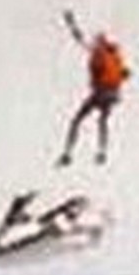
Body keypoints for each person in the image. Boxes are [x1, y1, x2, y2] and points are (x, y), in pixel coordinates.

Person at [56, 9, 131, 167]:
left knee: (77, 120)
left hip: (100, 93)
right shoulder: (115, 55)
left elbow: (80, 39)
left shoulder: (99, 51)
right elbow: (125, 73)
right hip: (113, 94)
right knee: (103, 121)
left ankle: (68, 153)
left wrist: (71, 23)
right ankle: (102, 152)